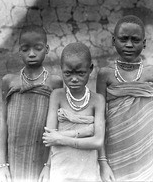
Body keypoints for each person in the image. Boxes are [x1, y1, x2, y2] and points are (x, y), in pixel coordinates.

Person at [96, 15, 153, 181]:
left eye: (135, 40)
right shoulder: (105, 74)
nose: (129, 44)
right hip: (116, 150)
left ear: (144, 43)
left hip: (147, 152)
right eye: (123, 39)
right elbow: (100, 120)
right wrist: (102, 162)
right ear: (113, 41)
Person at [0, 25, 63, 182]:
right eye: (25, 49)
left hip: (41, 154)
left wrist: (48, 165)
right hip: (14, 154)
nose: (32, 54)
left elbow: (56, 127)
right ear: (19, 51)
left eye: (38, 48)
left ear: (46, 49)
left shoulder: (54, 82)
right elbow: (4, 122)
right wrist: (2, 164)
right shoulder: (9, 81)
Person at [39, 42, 106, 182]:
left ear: (90, 69)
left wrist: (61, 138)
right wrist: (47, 166)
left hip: (87, 168)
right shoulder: (57, 96)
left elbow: (98, 141)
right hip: (60, 167)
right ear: (61, 69)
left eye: (81, 73)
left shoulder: (97, 100)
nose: (74, 79)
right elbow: (50, 137)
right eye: (68, 73)